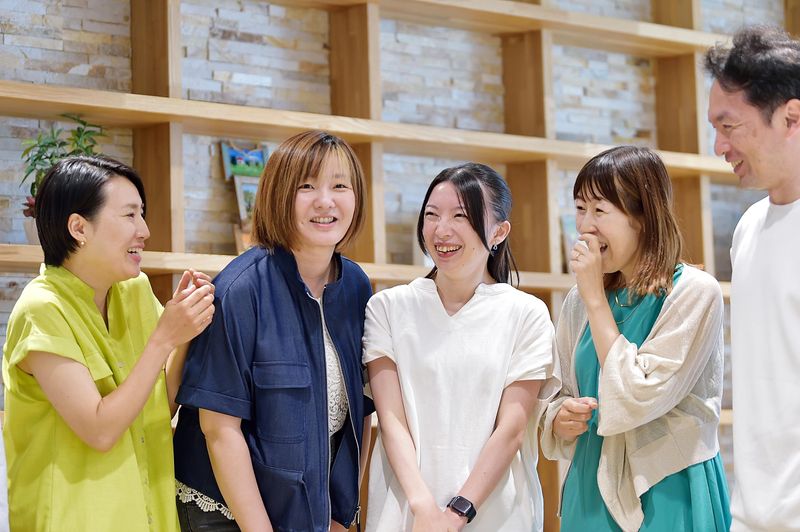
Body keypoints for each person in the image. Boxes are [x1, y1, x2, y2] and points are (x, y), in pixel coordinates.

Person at [172, 130, 373, 532]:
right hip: (226, 512)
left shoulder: (356, 286)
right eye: (306, 186)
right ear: (279, 195)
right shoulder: (240, 288)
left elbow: (361, 407)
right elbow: (219, 429)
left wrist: (340, 513)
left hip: (310, 512)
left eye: (340, 186)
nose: (325, 201)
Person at [2, 155, 215, 531]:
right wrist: (165, 337)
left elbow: (157, 406)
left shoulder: (135, 290)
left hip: (149, 516)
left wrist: (185, 333)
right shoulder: (41, 309)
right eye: (129, 215)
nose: (144, 230)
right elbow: (99, 430)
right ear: (79, 228)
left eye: (142, 214)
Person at [541, 146, 731, 531]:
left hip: (669, 487)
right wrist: (559, 417)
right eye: (580, 209)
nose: (585, 226)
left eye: (600, 210)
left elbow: (637, 397)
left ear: (643, 217)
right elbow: (555, 392)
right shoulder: (579, 299)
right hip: (590, 487)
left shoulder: (694, 292)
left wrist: (596, 299)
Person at [363, 163, 559, 531]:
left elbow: (511, 429)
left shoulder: (526, 314)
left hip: (497, 517)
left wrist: (457, 513)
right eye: (432, 215)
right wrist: (424, 510)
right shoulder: (388, 307)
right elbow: (391, 421)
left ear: (499, 231)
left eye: (461, 216)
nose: (442, 230)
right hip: (405, 515)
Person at [705, 25, 800, 531]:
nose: (719, 145)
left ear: (791, 117)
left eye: (729, 126)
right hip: (751, 516)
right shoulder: (748, 228)